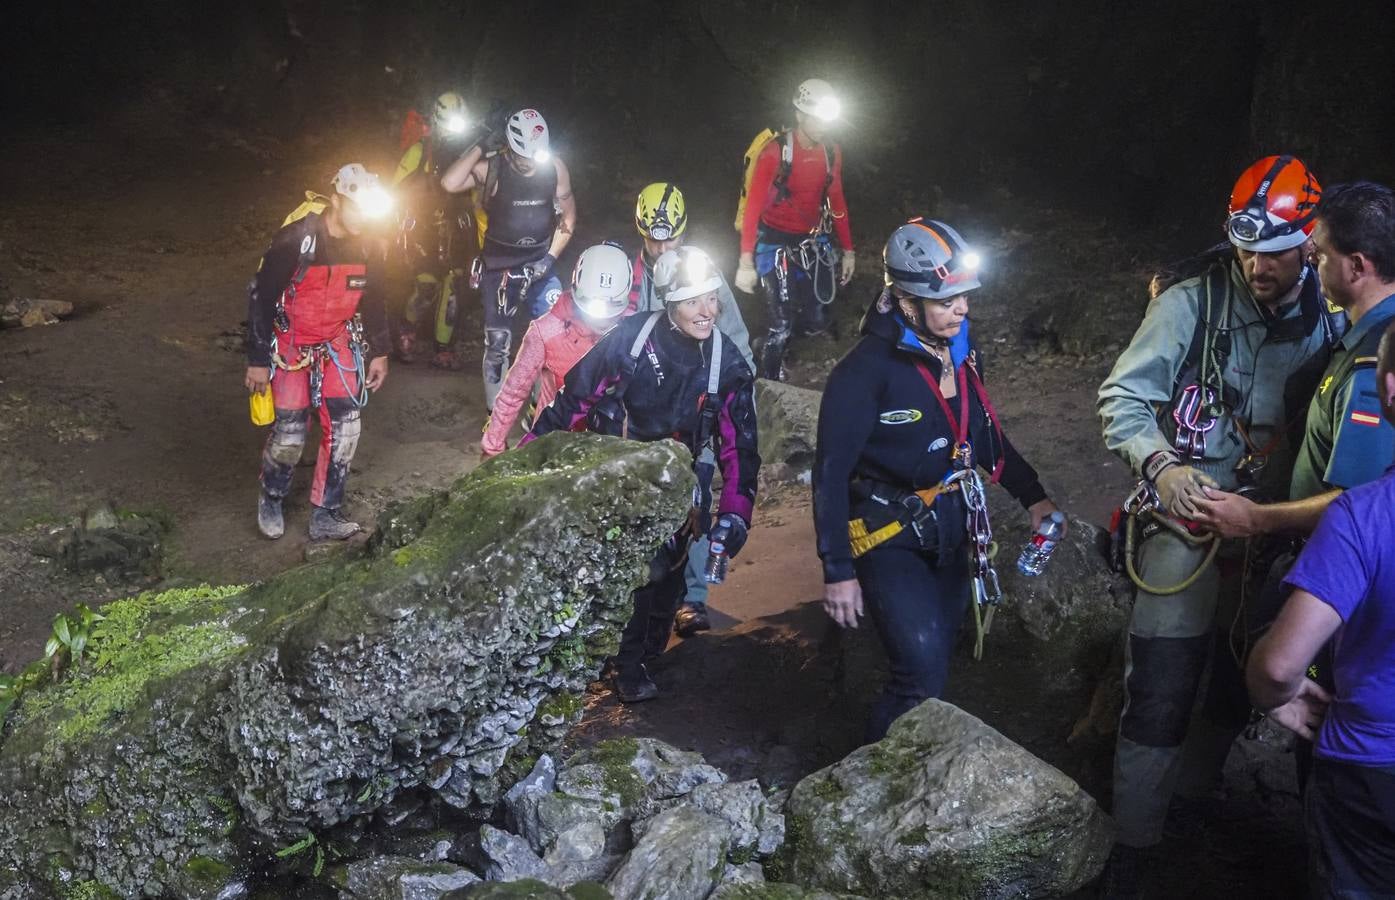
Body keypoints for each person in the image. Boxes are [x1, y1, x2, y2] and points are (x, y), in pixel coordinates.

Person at [1095, 155, 1340, 893]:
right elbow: (1121, 399)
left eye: (1271, 252)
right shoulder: (1190, 304)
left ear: (1309, 245)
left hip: (1274, 528)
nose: (1254, 266)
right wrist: (1162, 469)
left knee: (1240, 688)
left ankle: (1194, 801)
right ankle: (1133, 844)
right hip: (1191, 523)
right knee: (1163, 684)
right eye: (1244, 249)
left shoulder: (1332, 317)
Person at [813, 218, 1061, 742]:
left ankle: (913, 764)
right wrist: (837, 569)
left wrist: (1033, 497)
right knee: (919, 674)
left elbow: (984, 436)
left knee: (938, 659)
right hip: (888, 534)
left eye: (963, 297)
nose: (962, 309)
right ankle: (867, 786)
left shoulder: (963, 352)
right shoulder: (863, 373)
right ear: (904, 299)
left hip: (952, 524)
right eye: (946, 301)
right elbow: (831, 472)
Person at [526, 246, 759, 702]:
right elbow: (575, 397)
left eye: (712, 298)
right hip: (621, 471)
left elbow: (741, 451)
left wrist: (735, 517)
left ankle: (646, 654)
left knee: (668, 580)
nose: (707, 310)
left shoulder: (726, 366)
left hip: (681, 483)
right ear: (670, 301)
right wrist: (531, 457)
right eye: (694, 301)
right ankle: (625, 666)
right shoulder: (635, 337)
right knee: (640, 574)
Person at [1245, 321, 1395, 899]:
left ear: (1389, 392)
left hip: (1370, 770)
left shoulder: (1361, 517)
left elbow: (1281, 666)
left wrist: (1273, 696)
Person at [1194, 180, 1395, 536]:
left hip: (1335, 565)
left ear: (1357, 267)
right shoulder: (1369, 335)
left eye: (1320, 254)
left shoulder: (1373, 369)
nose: (1311, 260)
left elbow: (1360, 503)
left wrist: (1256, 519)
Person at [245, 163, 392, 541]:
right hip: (291, 342)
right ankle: (272, 496)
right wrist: (258, 359)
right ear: (337, 200)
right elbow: (261, 295)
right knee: (291, 432)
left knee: (346, 429)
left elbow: (374, 295)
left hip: (337, 340)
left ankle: (326, 512)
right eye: (356, 208)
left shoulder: (371, 242)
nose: (362, 218)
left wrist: (379, 350)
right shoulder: (299, 238)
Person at [632, 182, 754, 636]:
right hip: (643, 414)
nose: (663, 247)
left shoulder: (704, 274)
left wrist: (736, 398)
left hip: (697, 408)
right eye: (654, 239)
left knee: (698, 498)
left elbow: (736, 338)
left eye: (671, 238)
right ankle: (640, 597)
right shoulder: (629, 276)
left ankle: (694, 599)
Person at [440, 108, 577, 410]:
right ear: (511, 149)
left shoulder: (554, 168)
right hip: (499, 267)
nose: (530, 162)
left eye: (536, 155)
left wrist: (548, 259)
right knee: (498, 343)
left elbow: (568, 219)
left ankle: (545, 410)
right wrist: (481, 141)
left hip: (540, 263)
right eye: (524, 155)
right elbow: (450, 183)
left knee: (555, 335)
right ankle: (496, 415)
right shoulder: (494, 169)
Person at [735, 78, 855, 381]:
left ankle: (784, 343)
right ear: (799, 115)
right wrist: (745, 261)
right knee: (781, 323)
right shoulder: (776, 154)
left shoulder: (831, 153)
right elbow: (753, 209)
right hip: (773, 241)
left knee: (816, 316)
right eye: (814, 116)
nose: (821, 125)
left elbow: (837, 200)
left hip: (812, 240)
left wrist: (849, 250)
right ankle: (769, 383)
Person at [480, 242, 632, 457]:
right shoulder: (546, 332)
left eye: (613, 309)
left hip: (610, 449)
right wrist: (492, 448)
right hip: (552, 444)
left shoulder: (634, 335)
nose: (603, 318)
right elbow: (513, 392)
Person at [392, 91, 482, 370]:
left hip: (459, 224)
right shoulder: (420, 150)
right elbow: (398, 186)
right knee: (427, 284)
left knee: (453, 287)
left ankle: (444, 347)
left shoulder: (472, 150)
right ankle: (406, 329)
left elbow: (482, 184)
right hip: (425, 224)